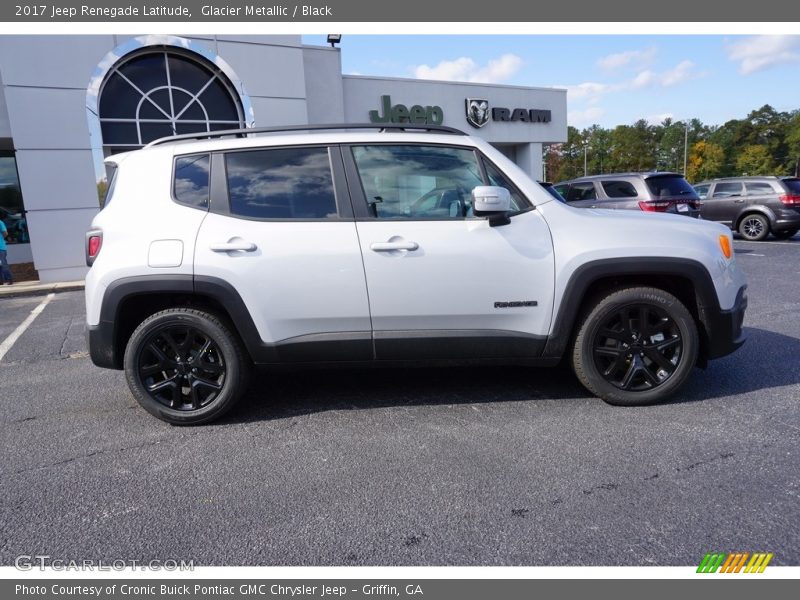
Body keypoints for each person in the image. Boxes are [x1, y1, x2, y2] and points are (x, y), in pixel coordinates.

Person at [0, 219, 13, 285]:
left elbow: (5, 233)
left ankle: (9, 279)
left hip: (1, 247)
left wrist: (1, 238)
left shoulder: (0, 222)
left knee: (3, 264)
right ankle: (1, 281)